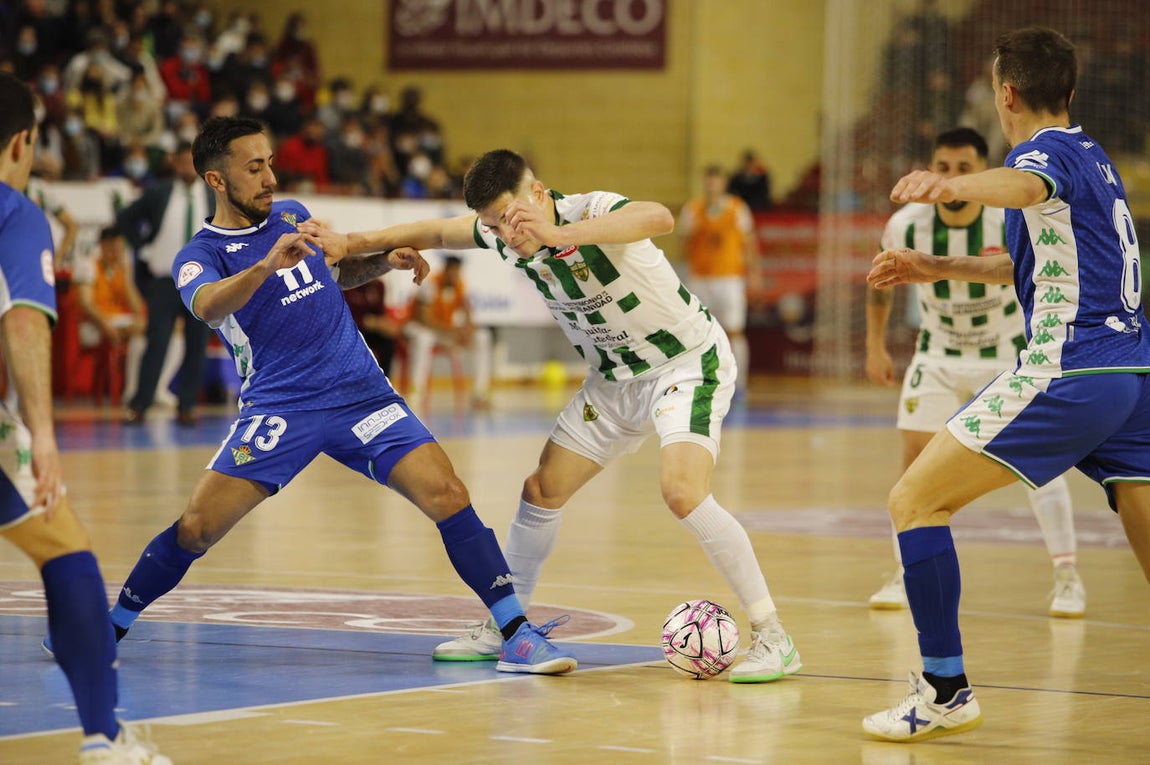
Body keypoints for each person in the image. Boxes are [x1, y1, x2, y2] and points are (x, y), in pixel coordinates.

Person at [54, 116, 575, 677]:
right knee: (197, 528)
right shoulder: (200, 255)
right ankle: (107, 628)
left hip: (362, 396)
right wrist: (264, 266)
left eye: (270, 163)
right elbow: (207, 306)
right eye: (254, 168)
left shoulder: (292, 216)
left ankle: (516, 636)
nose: (270, 178)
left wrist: (383, 261)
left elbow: (330, 275)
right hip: (281, 410)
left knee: (448, 494)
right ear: (216, 180)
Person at [303, 148, 802, 683]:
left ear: (538, 194)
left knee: (682, 492)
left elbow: (659, 217)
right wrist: (350, 242)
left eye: (511, 218)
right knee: (541, 490)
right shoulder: (501, 232)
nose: (506, 234)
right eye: (493, 224)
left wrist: (560, 234)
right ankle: (508, 626)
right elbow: (437, 230)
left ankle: (774, 636)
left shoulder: (591, 211)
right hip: (613, 382)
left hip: (683, 364)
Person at [863, 26, 1150, 742]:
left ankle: (944, 690)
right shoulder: (1095, 157)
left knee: (913, 501)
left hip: (1071, 370)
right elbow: (1033, 267)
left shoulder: (1041, 155)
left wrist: (950, 184)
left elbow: (1023, 182)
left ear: (1007, 94)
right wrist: (939, 268)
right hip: (1132, 374)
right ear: (1070, 91)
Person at [0, 71, 170, 765]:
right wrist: (41, 434)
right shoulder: (15, 210)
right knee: (67, 551)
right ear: (22, 143)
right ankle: (104, 737)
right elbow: (24, 323)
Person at [865, 127, 1085, 617]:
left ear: (981, 171)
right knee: (914, 466)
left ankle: (1067, 574)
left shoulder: (1008, 218)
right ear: (931, 169)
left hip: (1006, 355)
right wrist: (874, 346)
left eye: (964, 168)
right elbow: (879, 283)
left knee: (1037, 465)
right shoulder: (906, 224)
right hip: (937, 355)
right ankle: (903, 571)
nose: (951, 177)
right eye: (943, 167)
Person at [117, 142, 213, 426]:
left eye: (191, 162)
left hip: (201, 282)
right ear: (175, 163)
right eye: (182, 162)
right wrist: (142, 248)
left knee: (197, 345)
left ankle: (187, 406)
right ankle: (140, 404)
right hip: (164, 280)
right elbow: (125, 217)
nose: (187, 167)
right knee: (156, 342)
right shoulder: (160, 192)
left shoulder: (213, 195)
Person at [679, 164, 759, 396]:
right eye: (709, 180)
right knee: (697, 333)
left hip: (730, 278)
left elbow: (749, 242)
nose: (712, 184)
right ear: (704, 182)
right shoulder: (693, 210)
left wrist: (754, 273)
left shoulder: (737, 208)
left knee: (734, 330)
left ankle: (740, 384)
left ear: (723, 183)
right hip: (700, 278)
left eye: (716, 180)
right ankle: (700, 381)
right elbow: (683, 244)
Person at [404, 255, 492, 409]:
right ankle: (416, 391)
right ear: (445, 270)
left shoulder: (460, 284)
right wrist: (452, 332)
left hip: (445, 332)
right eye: (452, 271)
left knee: (482, 336)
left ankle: (480, 394)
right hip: (419, 327)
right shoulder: (430, 284)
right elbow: (423, 319)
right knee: (424, 338)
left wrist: (467, 330)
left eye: (457, 271)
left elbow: (467, 311)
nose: (455, 275)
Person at [73, 226, 147, 400]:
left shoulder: (121, 269)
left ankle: (141, 388)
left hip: (119, 322)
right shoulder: (88, 266)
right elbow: (85, 304)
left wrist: (127, 278)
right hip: (92, 325)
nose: (116, 254)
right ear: (103, 245)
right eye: (113, 248)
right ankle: (134, 391)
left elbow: (138, 309)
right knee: (144, 329)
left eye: (120, 249)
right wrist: (104, 324)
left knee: (153, 332)